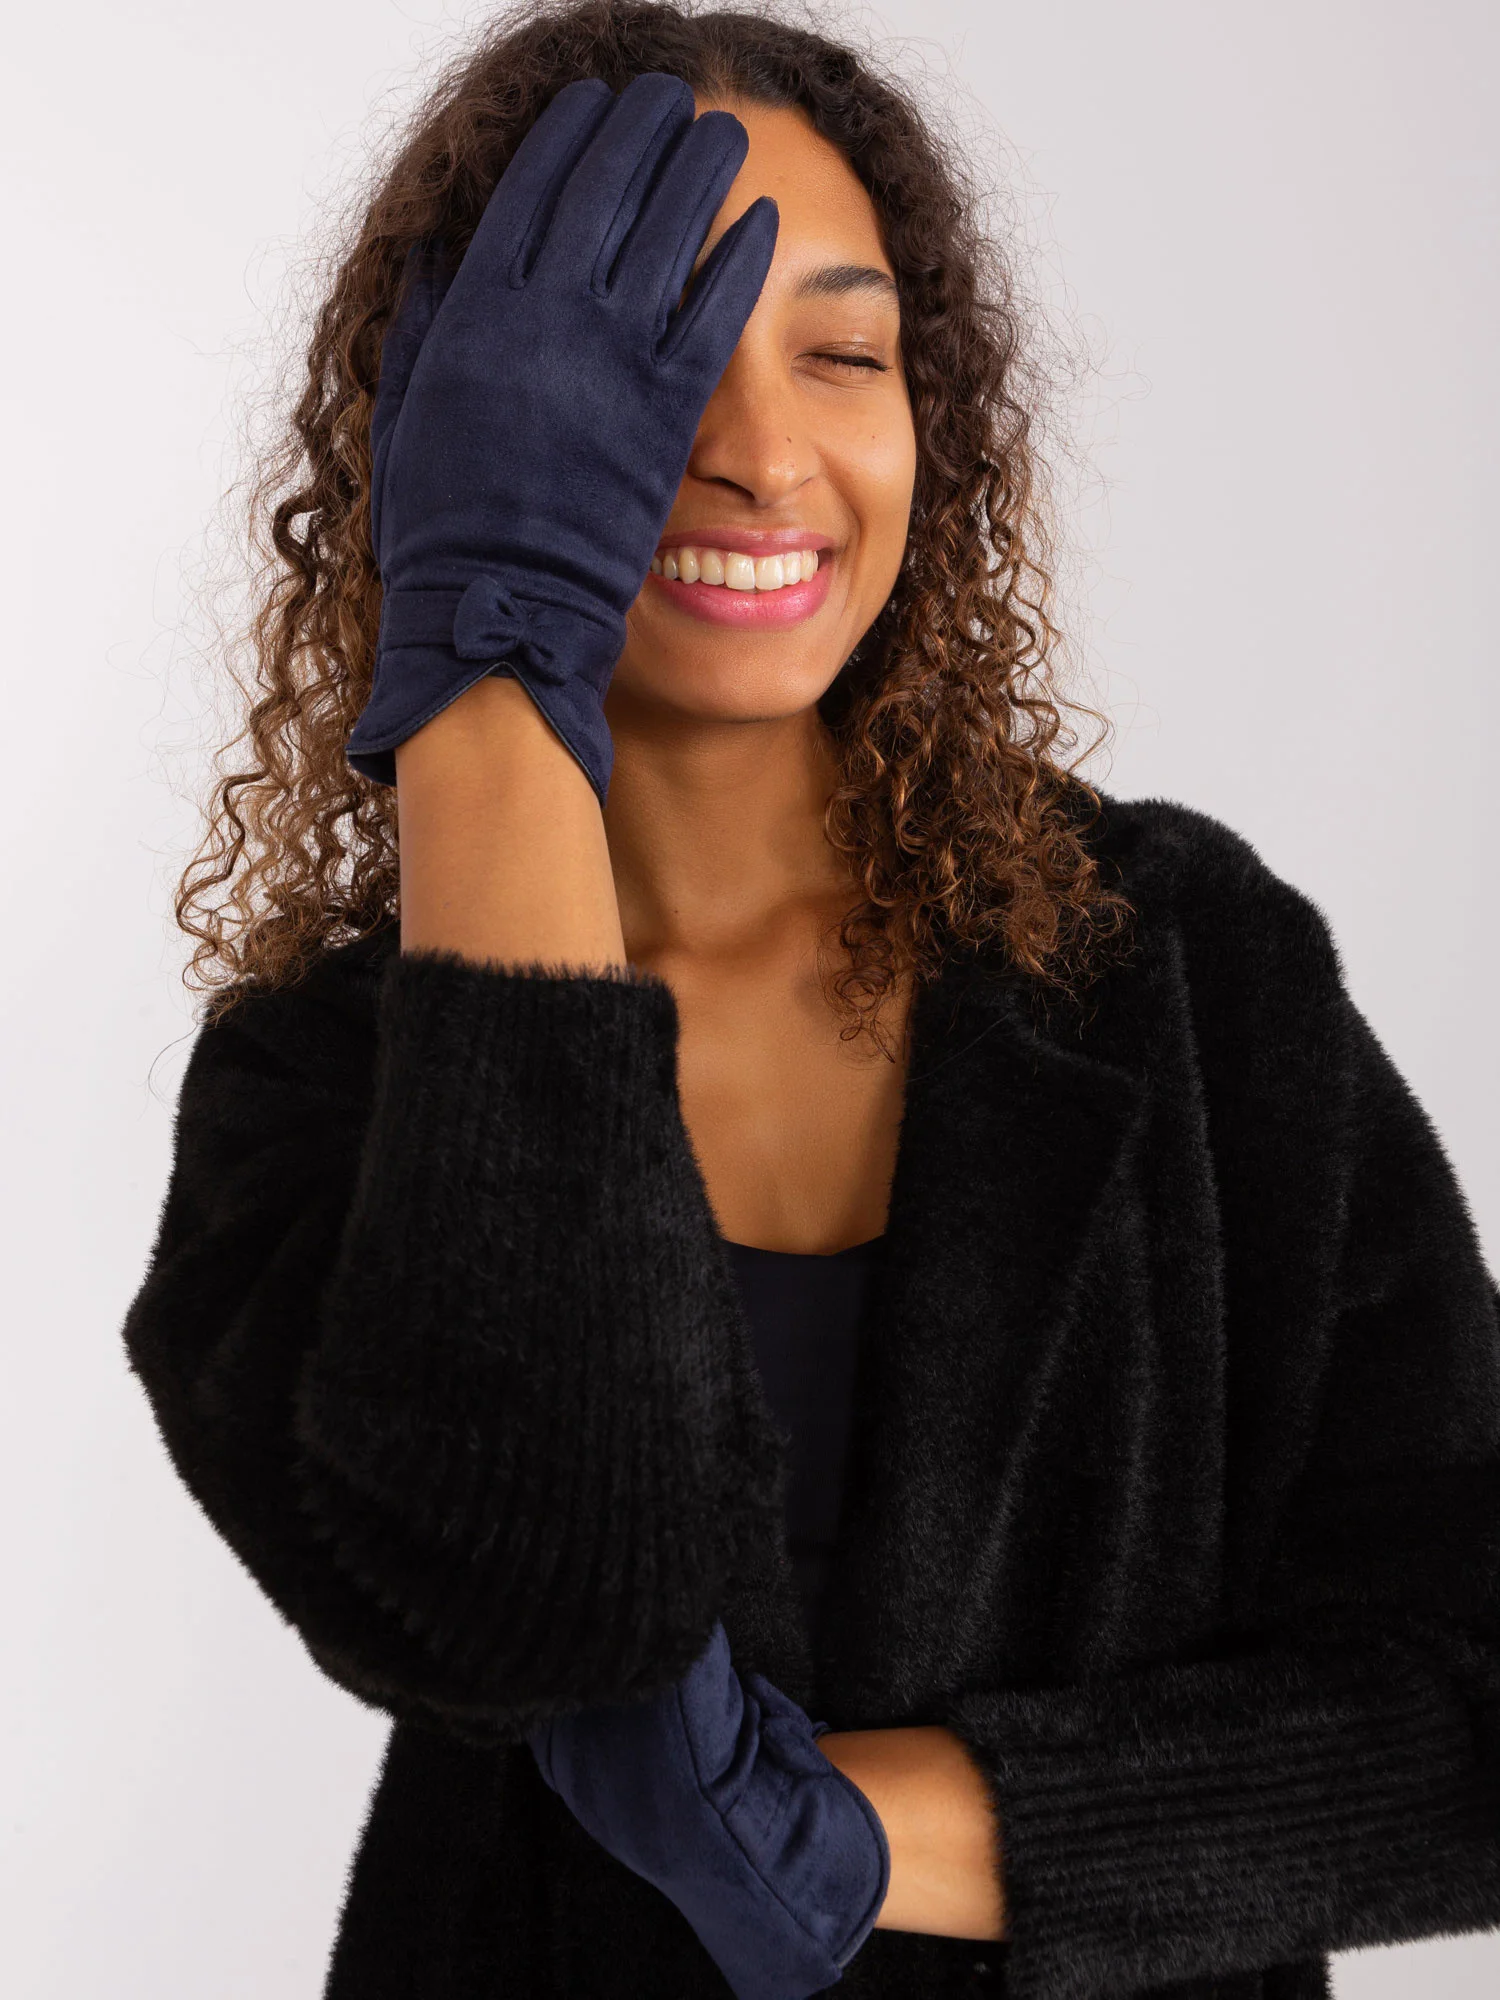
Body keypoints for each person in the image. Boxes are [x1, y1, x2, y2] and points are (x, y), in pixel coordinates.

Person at [121, 5, 1500, 1998]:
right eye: (649, 368)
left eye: (843, 355)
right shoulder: (319, 1087)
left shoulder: (1183, 966)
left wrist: (866, 1840)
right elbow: (529, 1608)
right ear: (452, 442)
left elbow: (1471, 1706)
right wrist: (489, 655)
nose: (763, 455)